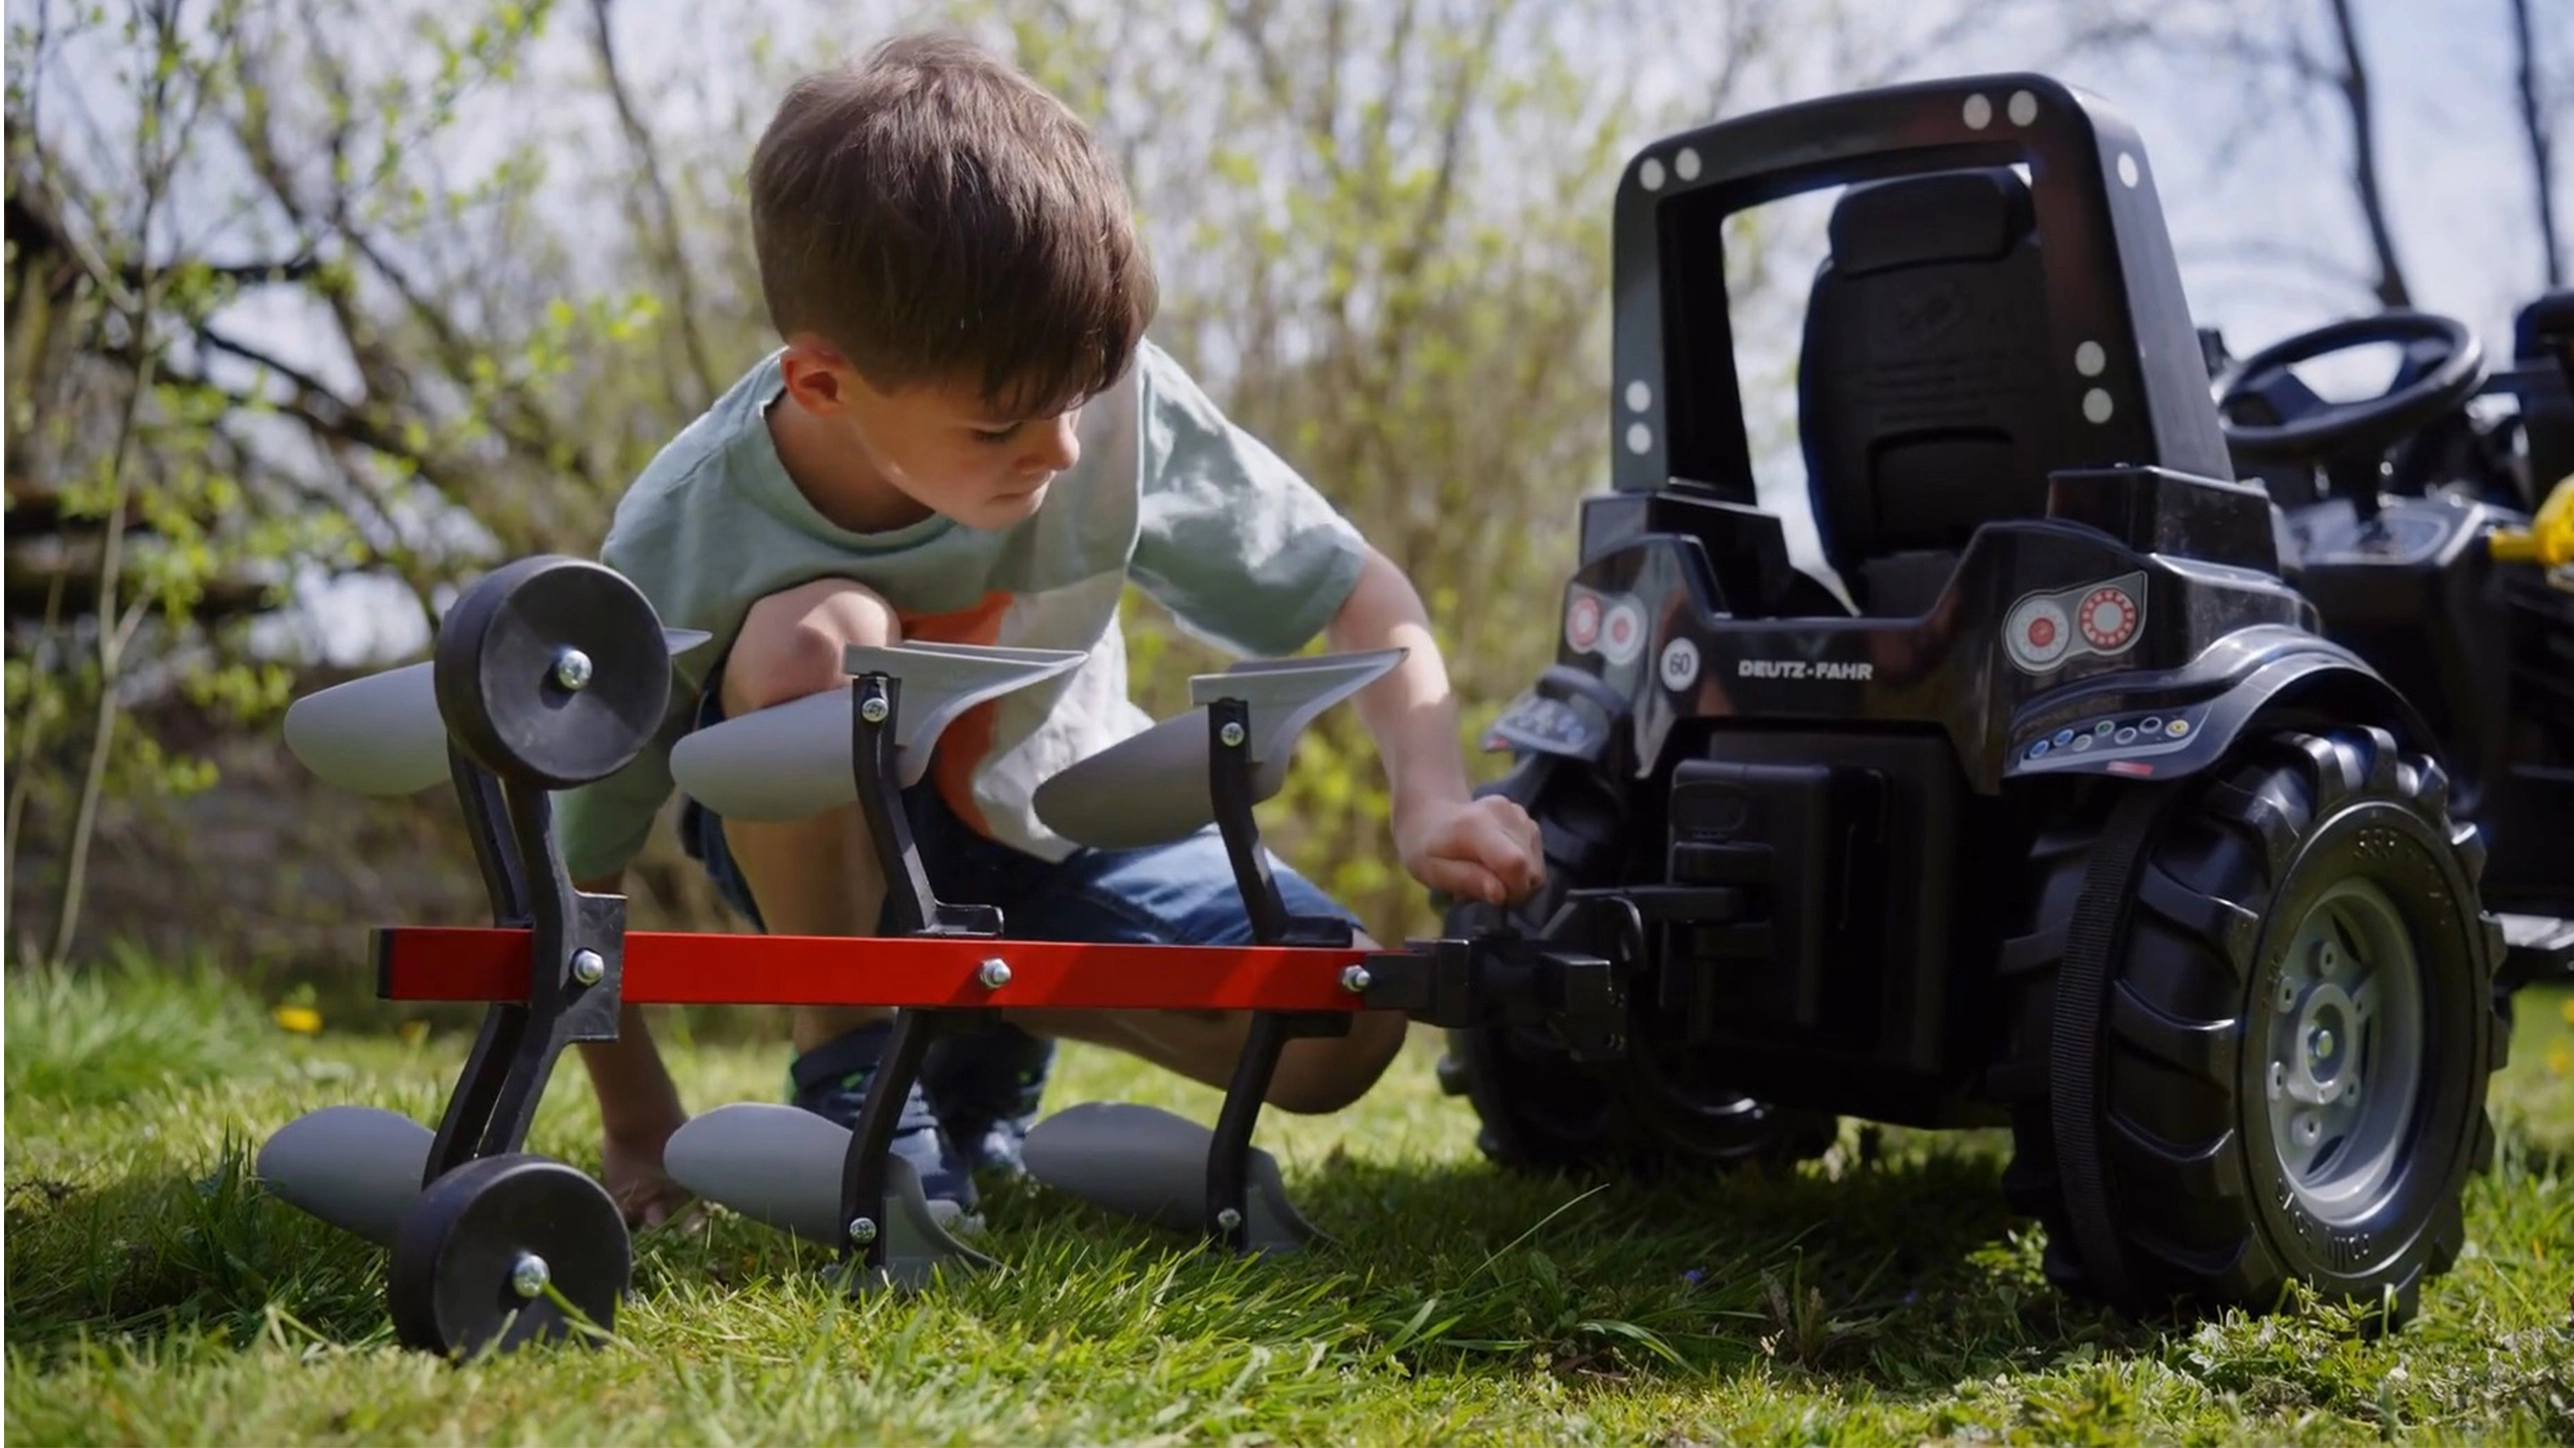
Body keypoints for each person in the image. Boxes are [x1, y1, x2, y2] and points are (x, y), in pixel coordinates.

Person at [557, 31, 1548, 1231]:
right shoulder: (689, 521)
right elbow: (579, 846)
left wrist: (1431, 797)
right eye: (1001, 426)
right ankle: (854, 1067)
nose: (1065, 449)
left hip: (1059, 813)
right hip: (839, 853)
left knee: (1340, 1023)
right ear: (822, 384)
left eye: (1081, 399)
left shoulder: (1103, 399)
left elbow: (1359, 590)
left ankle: (977, 1050)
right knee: (813, 644)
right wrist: (636, 1116)